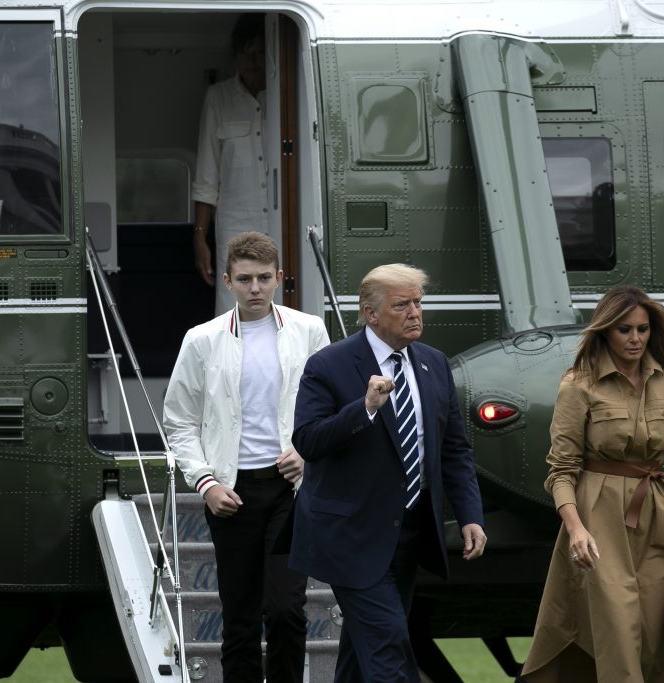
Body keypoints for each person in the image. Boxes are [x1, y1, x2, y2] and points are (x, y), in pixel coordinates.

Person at [290, 263, 488, 682]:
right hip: (352, 534)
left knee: (362, 654)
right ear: (371, 313)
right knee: (390, 649)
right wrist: (363, 409)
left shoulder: (433, 363)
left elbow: (453, 449)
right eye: (402, 305)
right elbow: (307, 441)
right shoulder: (328, 365)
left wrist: (470, 514)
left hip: (410, 533)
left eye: (418, 302)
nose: (415, 312)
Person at [520, 285, 664, 683]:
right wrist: (575, 528)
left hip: (658, 517)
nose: (635, 339)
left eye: (643, 329)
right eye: (625, 330)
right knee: (617, 628)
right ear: (605, 331)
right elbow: (561, 469)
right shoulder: (578, 384)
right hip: (598, 517)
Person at [163, 231, 329, 683]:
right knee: (238, 619)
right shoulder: (202, 339)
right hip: (231, 492)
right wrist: (206, 482)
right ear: (228, 283)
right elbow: (178, 420)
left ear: (279, 278)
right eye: (244, 279)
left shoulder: (309, 329)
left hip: (290, 491)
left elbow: (329, 405)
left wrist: (305, 454)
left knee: (285, 611)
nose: (254, 288)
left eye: (262, 278)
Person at [191, 14, 272, 314]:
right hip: (234, 228)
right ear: (235, 56)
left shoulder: (284, 94)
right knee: (233, 312)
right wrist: (200, 236)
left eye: (260, 53)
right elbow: (206, 177)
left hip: (281, 226)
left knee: (281, 311)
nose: (253, 61)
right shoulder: (218, 98)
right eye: (245, 53)